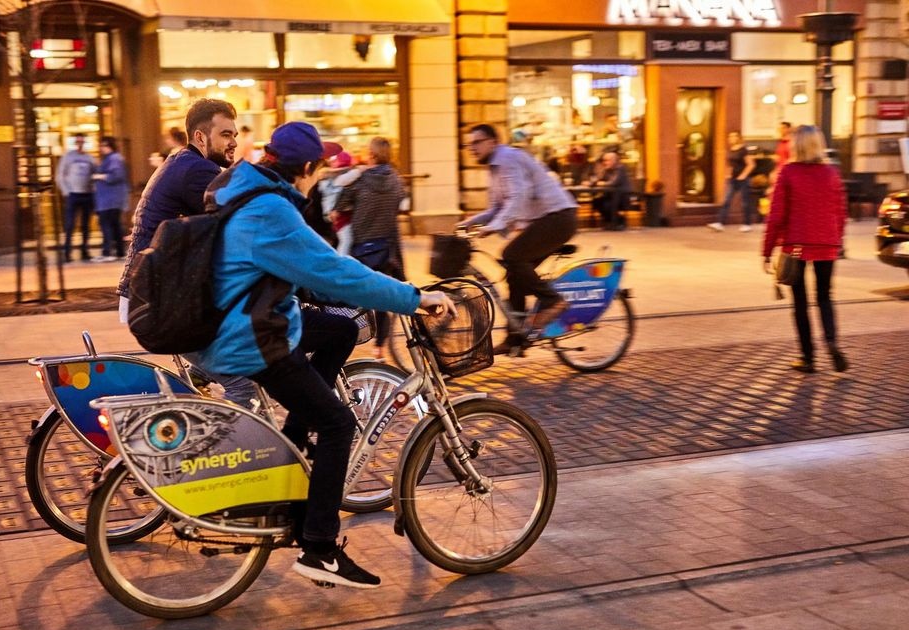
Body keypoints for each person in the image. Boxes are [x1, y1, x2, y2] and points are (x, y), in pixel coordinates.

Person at [196, 121, 455, 588]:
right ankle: (319, 548)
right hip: (249, 337)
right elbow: (332, 270)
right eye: (320, 170)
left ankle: (296, 445)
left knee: (336, 331)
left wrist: (338, 288)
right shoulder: (271, 208)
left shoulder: (248, 189)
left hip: (247, 319)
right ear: (309, 168)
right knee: (338, 423)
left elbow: (305, 268)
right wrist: (412, 298)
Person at [115, 98, 252, 405]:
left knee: (215, 366)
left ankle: (192, 408)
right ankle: (233, 448)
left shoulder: (184, 162)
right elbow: (243, 223)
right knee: (244, 381)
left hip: (157, 295)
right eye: (226, 135)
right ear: (201, 137)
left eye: (234, 134)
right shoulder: (197, 172)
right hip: (161, 303)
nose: (234, 142)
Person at [460, 123, 577, 355]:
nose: (471, 148)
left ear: (493, 142)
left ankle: (553, 300)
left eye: (477, 142)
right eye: (469, 144)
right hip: (546, 220)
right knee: (514, 273)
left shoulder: (508, 159)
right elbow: (496, 207)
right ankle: (516, 338)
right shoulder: (494, 167)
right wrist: (467, 223)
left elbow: (517, 198)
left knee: (511, 255)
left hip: (558, 218)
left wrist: (494, 227)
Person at [762, 125, 848, 374]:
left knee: (800, 302)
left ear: (795, 145)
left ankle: (807, 357)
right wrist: (836, 239)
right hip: (827, 244)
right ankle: (831, 342)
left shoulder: (788, 172)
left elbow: (776, 216)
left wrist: (767, 251)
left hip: (796, 245)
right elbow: (840, 212)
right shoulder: (832, 173)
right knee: (825, 296)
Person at [334, 137, 406, 361]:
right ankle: (379, 348)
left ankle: (337, 334)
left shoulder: (361, 179)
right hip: (386, 246)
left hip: (362, 245)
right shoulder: (396, 179)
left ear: (372, 155)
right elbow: (401, 203)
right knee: (382, 297)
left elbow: (340, 205)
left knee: (348, 292)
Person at [56, 133, 97, 261]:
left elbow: (95, 174)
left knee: (85, 225)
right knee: (70, 225)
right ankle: (67, 252)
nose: (80, 144)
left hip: (87, 195)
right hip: (73, 195)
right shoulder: (68, 157)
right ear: (75, 143)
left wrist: (93, 189)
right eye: (78, 142)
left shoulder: (90, 158)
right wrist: (66, 191)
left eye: (82, 142)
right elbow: (60, 175)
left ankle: (84, 250)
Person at [708, 131, 757, 233]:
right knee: (726, 201)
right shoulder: (731, 149)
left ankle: (747, 224)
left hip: (743, 180)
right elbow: (731, 165)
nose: (731, 138)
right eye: (730, 136)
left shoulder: (743, 150)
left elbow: (751, 164)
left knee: (745, 203)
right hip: (733, 179)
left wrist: (743, 175)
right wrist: (728, 174)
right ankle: (720, 223)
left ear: (738, 137)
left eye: (733, 136)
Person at [92, 136, 129, 262]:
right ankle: (119, 251)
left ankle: (108, 252)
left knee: (106, 224)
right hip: (111, 198)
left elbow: (115, 176)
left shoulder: (114, 159)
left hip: (110, 199)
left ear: (108, 146)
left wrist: (99, 176)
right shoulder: (112, 158)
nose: (101, 148)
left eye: (103, 146)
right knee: (114, 225)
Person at [319, 151, 361, 256]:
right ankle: (342, 261)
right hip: (340, 215)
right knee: (346, 240)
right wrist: (359, 169)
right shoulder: (340, 179)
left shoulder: (329, 178)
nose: (333, 163)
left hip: (335, 214)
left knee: (343, 240)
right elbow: (354, 174)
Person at [589, 151, 630, 231]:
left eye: (607, 160)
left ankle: (618, 222)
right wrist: (591, 183)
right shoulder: (607, 169)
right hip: (610, 196)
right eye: (604, 160)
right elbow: (598, 179)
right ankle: (611, 221)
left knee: (607, 205)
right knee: (597, 202)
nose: (604, 163)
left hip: (621, 197)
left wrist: (602, 183)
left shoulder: (620, 169)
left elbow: (614, 182)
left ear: (614, 161)